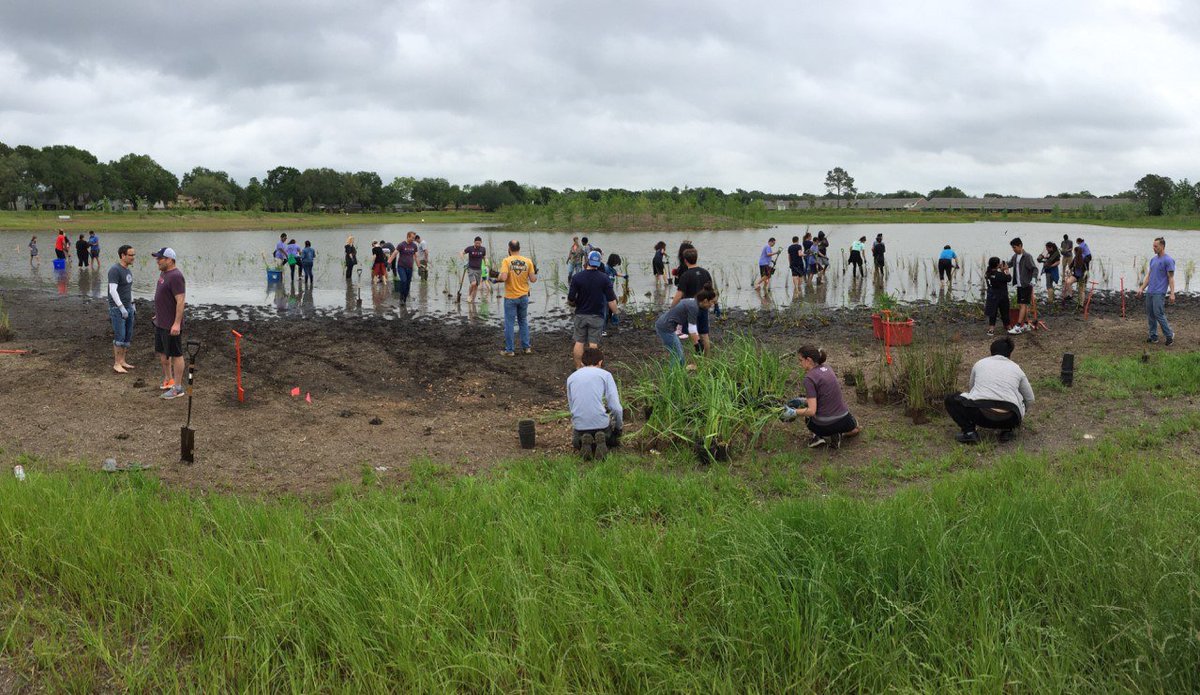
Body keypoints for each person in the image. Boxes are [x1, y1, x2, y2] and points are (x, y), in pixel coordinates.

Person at [945, 337, 1034, 444]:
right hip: (1010, 418)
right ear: (1010, 353)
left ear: (991, 351)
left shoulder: (980, 363)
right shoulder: (1017, 369)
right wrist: (1020, 414)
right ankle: (1008, 430)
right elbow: (1030, 398)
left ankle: (969, 432)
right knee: (1019, 397)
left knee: (950, 399)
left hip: (981, 415)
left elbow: (972, 389)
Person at [781, 345, 862, 449]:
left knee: (807, 413)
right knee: (855, 428)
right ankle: (838, 433)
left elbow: (812, 411)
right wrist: (805, 400)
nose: (800, 364)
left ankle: (817, 437)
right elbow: (825, 396)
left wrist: (793, 412)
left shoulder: (809, 379)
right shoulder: (828, 368)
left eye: (800, 360)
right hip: (844, 420)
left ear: (808, 360)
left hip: (825, 426)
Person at [567, 347, 624, 460]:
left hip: (580, 426)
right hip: (601, 424)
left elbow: (572, 406)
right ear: (600, 362)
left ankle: (583, 440)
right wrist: (618, 428)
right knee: (612, 440)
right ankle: (603, 438)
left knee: (576, 443)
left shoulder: (571, 378)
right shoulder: (605, 375)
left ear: (582, 363)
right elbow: (616, 408)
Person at [567, 251, 618, 368]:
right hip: (597, 315)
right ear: (599, 263)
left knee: (579, 342)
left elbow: (571, 298)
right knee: (593, 344)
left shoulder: (577, 277)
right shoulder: (604, 278)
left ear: (587, 261)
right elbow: (611, 300)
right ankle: (593, 369)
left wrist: (573, 304)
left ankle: (578, 368)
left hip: (581, 314)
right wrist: (615, 313)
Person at [151, 248, 187, 400]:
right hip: (161, 321)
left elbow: (180, 300)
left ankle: (177, 388)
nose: (157, 261)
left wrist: (177, 323)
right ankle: (169, 380)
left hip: (171, 325)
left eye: (160, 258)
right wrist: (159, 313)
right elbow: (164, 297)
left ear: (170, 260)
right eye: (157, 258)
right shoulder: (164, 273)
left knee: (176, 354)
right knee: (163, 353)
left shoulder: (176, 276)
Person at [655, 286, 717, 366]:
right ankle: (673, 373)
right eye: (712, 302)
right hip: (665, 328)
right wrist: (697, 344)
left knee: (679, 354)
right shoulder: (694, 307)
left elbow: (692, 328)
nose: (712, 305)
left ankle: (679, 371)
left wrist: (697, 343)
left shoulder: (693, 302)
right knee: (677, 355)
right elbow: (692, 329)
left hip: (666, 325)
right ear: (705, 301)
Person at [671, 247, 715, 354]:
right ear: (696, 258)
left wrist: (672, 308)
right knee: (704, 334)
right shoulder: (705, 273)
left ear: (685, 260)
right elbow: (711, 291)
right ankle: (707, 359)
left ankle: (697, 358)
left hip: (690, 308)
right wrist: (715, 304)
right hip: (703, 306)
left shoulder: (685, 275)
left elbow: (679, 295)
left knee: (693, 334)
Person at [498, 240, 537, 356]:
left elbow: (504, 278)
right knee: (523, 321)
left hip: (510, 297)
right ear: (519, 248)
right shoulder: (528, 261)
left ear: (509, 248)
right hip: (524, 296)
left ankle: (510, 350)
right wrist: (534, 272)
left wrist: (498, 276)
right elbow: (533, 279)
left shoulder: (506, 261)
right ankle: (526, 347)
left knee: (509, 324)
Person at [1137, 236, 1175, 346]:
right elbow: (1149, 276)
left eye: (1156, 246)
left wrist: (1172, 293)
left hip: (1159, 292)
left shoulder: (1168, 260)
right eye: (1153, 246)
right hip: (1150, 291)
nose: (1153, 248)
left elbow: (1171, 278)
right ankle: (1153, 336)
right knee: (1150, 315)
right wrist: (1142, 288)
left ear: (1162, 246)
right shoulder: (1153, 260)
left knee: (1159, 314)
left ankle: (1169, 335)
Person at [107, 245, 137, 374]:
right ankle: (116, 363)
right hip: (117, 308)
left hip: (128, 306)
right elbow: (112, 291)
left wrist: (132, 304)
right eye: (130, 255)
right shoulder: (115, 270)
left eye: (134, 255)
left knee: (127, 335)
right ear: (123, 256)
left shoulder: (128, 270)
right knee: (120, 335)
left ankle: (122, 360)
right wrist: (121, 307)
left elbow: (128, 289)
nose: (133, 257)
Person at [1007, 237, 1037, 334]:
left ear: (1020, 246)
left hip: (1026, 284)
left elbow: (1034, 269)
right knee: (1022, 305)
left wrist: (1033, 279)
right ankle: (1026, 324)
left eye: (1014, 247)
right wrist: (1001, 265)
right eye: (1012, 248)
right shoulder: (1015, 256)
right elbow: (1009, 264)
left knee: (1023, 305)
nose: (1013, 249)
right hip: (1019, 284)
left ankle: (1018, 326)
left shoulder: (1027, 256)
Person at [984, 257, 1012, 336]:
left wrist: (1001, 270)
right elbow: (1008, 278)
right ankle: (1008, 327)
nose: (1000, 264)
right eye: (999, 263)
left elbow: (996, 277)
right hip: (1002, 295)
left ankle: (991, 329)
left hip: (991, 295)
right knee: (1005, 312)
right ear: (997, 264)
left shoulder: (988, 273)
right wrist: (1006, 270)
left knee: (993, 312)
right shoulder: (999, 275)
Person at [389, 231, 418, 302]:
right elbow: (395, 253)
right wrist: (389, 262)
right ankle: (401, 297)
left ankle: (404, 298)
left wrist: (419, 266)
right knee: (403, 281)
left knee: (408, 284)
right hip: (401, 267)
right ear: (408, 236)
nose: (413, 239)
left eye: (414, 238)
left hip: (410, 268)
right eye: (412, 238)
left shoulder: (414, 245)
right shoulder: (401, 245)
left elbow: (416, 257)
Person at [461, 236, 487, 302]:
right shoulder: (470, 248)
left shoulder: (483, 249)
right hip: (471, 268)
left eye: (479, 243)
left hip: (479, 269)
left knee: (476, 286)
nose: (478, 244)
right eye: (476, 243)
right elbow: (462, 253)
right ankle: (469, 295)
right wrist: (464, 262)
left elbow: (484, 257)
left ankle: (472, 301)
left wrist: (485, 263)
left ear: (481, 242)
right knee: (473, 283)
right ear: (474, 242)